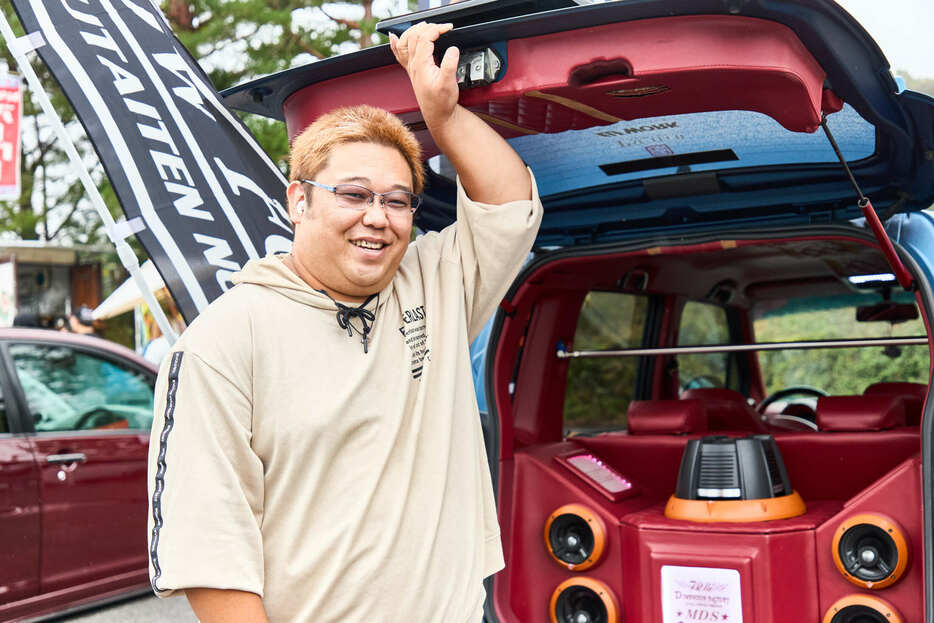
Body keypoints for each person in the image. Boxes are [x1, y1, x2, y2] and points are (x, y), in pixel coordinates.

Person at [146, 22, 542, 623]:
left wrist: (442, 116)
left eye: (397, 199)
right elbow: (210, 551)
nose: (377, 218)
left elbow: (510, 205)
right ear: (298, 201)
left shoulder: (433, 282)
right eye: (353, 195)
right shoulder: (222, 344)